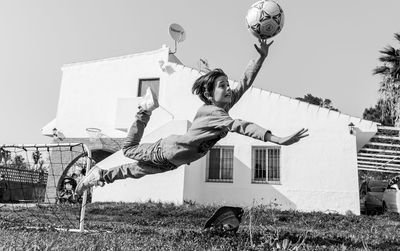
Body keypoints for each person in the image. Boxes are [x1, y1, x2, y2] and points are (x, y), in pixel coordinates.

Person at [76, 39, 309, 194]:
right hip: (165, 151)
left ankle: (100, 176)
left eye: (228, 85)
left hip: (172, 161)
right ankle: (145, 109)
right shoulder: (215, 114)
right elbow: (240, 125)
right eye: (222, 86)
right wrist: (276, 139)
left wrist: (261, 58)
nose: (229, 89)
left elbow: (245, 82)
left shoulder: (222, 108)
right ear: (209, 94)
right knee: (128, 149)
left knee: (133, 171)